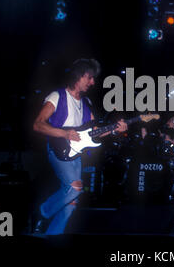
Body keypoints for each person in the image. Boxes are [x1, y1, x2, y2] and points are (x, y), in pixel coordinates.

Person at [33, 58, 128, 235]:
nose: (92, 82)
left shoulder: (86, 104)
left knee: (72, 203)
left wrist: (115, 129)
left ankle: (51, 237)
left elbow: (95, 132)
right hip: (58, 149)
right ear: (78, 76)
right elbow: (38, 124)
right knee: (75, 187)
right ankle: (41, 213)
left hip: (76, 155)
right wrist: (64, 133)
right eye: (89, 78)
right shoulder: (57, 96)